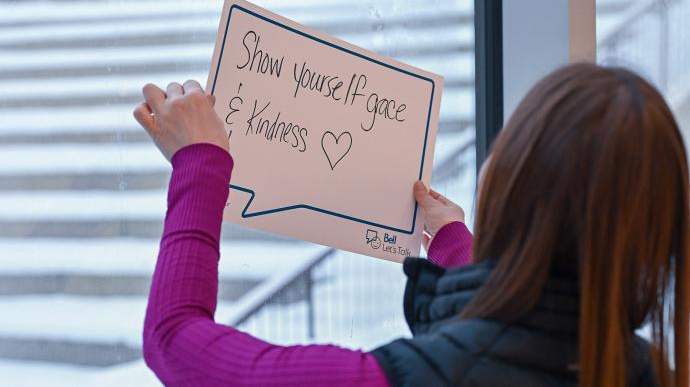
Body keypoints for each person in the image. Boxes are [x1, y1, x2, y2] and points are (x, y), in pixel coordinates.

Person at [134, 63, 689, 387]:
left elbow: (175, 339)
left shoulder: (411, 378)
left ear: (508, 184)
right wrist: (454, 244)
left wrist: (201, 164)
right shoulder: (649, 370)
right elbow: (528, 335)